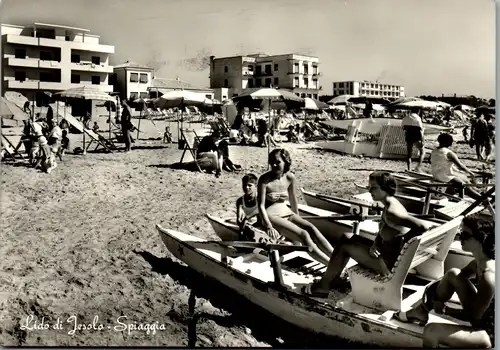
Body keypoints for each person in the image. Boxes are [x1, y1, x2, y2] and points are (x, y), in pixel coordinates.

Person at [302, 171, 431, 297]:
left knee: (343, 247)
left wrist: (403, 247)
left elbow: (423, 226)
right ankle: (334, 278)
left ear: (385, 188)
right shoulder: (392, 203)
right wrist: (377, 243)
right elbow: (389, 231)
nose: (369, 191)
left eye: (374, 188)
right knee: (346, 237)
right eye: (369, 187)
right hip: (386, 256)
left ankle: (323, 287)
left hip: (387, 265)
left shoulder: (392, 212)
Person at [394, 213, 494, 348]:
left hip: (490, 333)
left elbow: (475, 317)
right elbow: (454, 278)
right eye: (460, 233)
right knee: (453, 273)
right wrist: (431, 299)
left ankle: (421, 312)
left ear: (481, 239)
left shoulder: (489, 276)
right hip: (483, 317)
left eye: (465, 235)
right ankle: (422, 311)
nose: (460, 238)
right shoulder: (479, 263)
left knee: (431, 331)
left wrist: (446, 310)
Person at [257, 148, 334, 265]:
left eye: (277, 162)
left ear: (285, 162)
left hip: (287, 212)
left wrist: (298, 220)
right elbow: (261, 205)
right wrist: (268, 226)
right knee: (304, 235)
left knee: (311, 228)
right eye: (271, 161)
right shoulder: (264, 180)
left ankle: (336, 258)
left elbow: (293, 201)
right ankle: (330, 264)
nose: (273, 164)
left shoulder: (290, 177)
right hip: (270, 216)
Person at [431, 133, 483, 200]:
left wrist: (459, 172)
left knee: (465, 179)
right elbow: (460, 166)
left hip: (436, 174)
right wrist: (471, 173)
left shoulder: (434, 151)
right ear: (450, 143)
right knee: (464, 185)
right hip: (445, 176)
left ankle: (477, 191)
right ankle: (481, 199)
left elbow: (442, 163)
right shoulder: (449, 153)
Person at [236, 173, 260, 240]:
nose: (246, 187)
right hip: (249, 226)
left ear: (255, 186)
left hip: (261, 225)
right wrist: (239, 221)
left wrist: (246, 218)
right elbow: (239, 218)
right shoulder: (240, 201)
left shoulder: (260, 198)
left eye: (249, 185)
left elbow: (261, 210)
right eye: (244, 185)